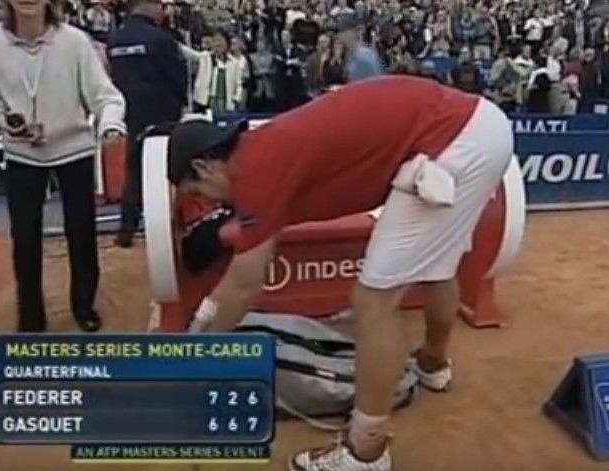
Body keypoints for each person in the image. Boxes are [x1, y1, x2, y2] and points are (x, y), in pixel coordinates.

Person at [166, 76, 513, 470]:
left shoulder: (256, 169)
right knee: (438, 265)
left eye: (198, 192)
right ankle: (432, 366)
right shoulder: (261, 150)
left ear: (204, 166)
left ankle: (365, 451)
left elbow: (244, 283)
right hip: (477, 125)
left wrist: (195, 352)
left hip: (454, 139)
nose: (207, 203)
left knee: (373, 301)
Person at [0, 0, 126, 332]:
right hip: (20, 153)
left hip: (74, 150)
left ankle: (84, 305)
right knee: (24, 238)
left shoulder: (75, 41)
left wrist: (110, 124)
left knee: (82, 232)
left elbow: (105, 96)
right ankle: (31, 315)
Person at [107, 0, 188, 248]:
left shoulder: (116, 39)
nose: (164, 10)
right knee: (168, 169)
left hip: (130, 110)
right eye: (160, 5)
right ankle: (168, 227)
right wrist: (180, 104)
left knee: (134, 171)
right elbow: (178, 76)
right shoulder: (161, 39)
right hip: (162, 112)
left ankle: (126, 228)